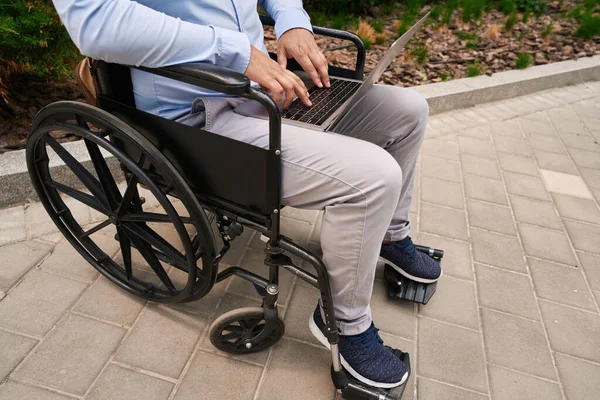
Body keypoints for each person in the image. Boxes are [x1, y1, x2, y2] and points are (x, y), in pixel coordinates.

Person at [52, 0, 442, 389]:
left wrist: (291, 21)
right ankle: (344, 322)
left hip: (262, 89)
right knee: (374, 177)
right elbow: (96, 23)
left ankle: (390, 235)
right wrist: (235, 52)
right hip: (194, 117)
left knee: (408, 110)